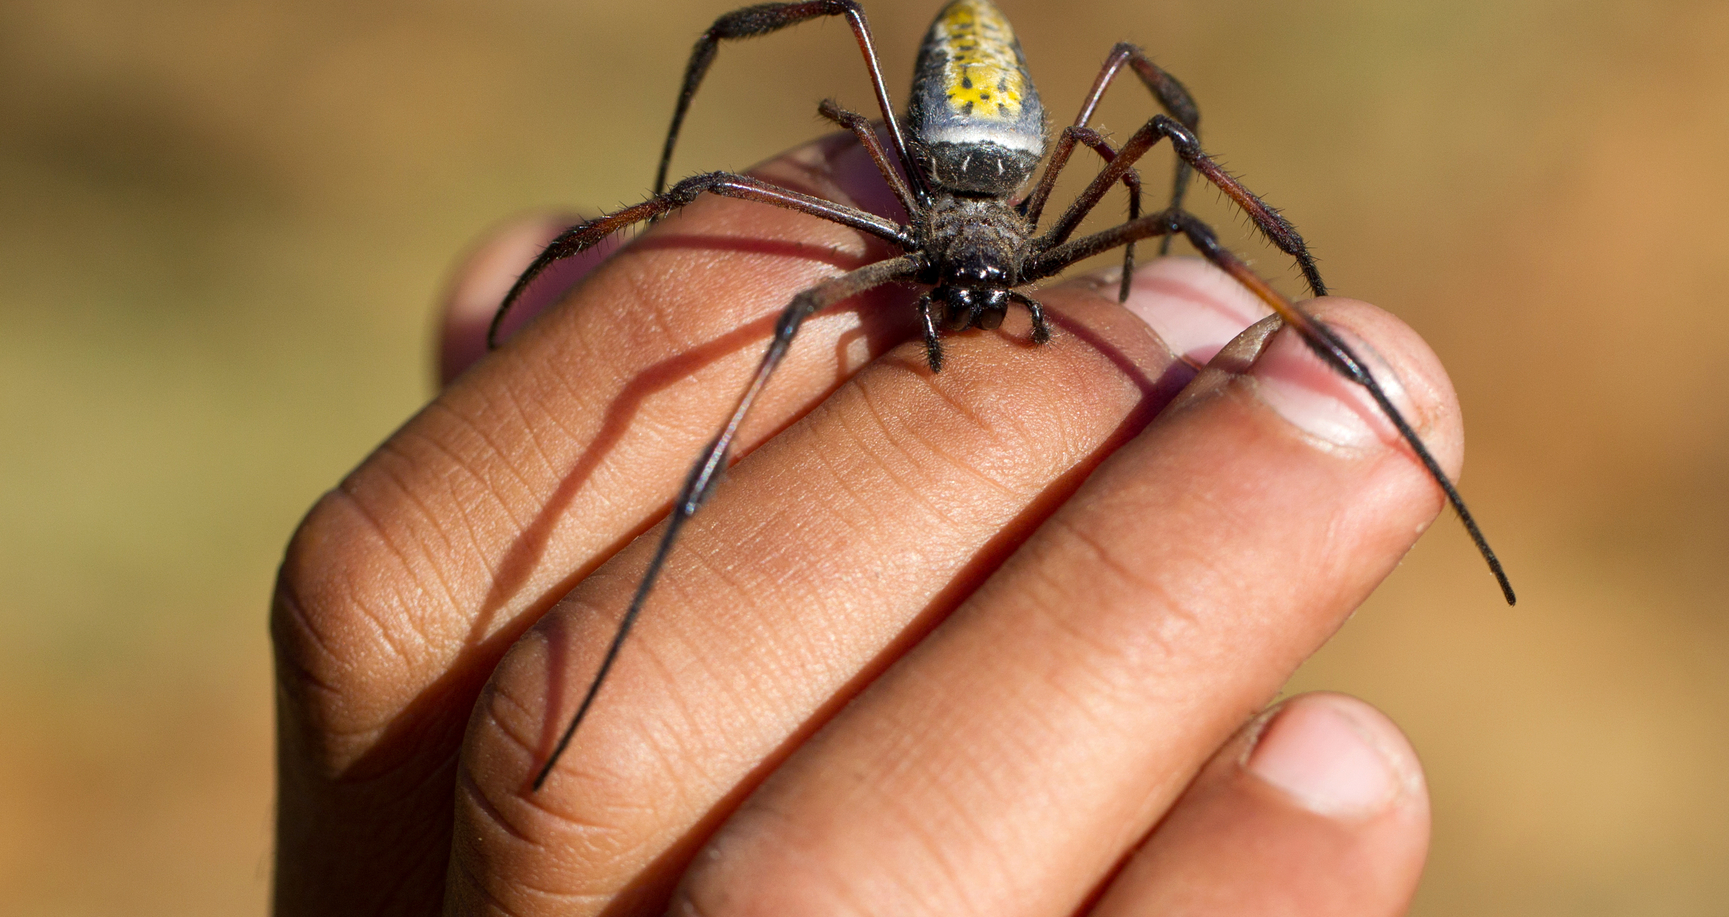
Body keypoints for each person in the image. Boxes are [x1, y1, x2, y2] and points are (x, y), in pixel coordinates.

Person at [270, 132, 1459, 915]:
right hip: (953, 181)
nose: (985, 307)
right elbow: (749, 255)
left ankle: (1318, 325)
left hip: (982, 180)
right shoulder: (909, 236)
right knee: (771, 284)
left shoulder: (1032, 230)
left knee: (1189, 217)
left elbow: (1170, 174)